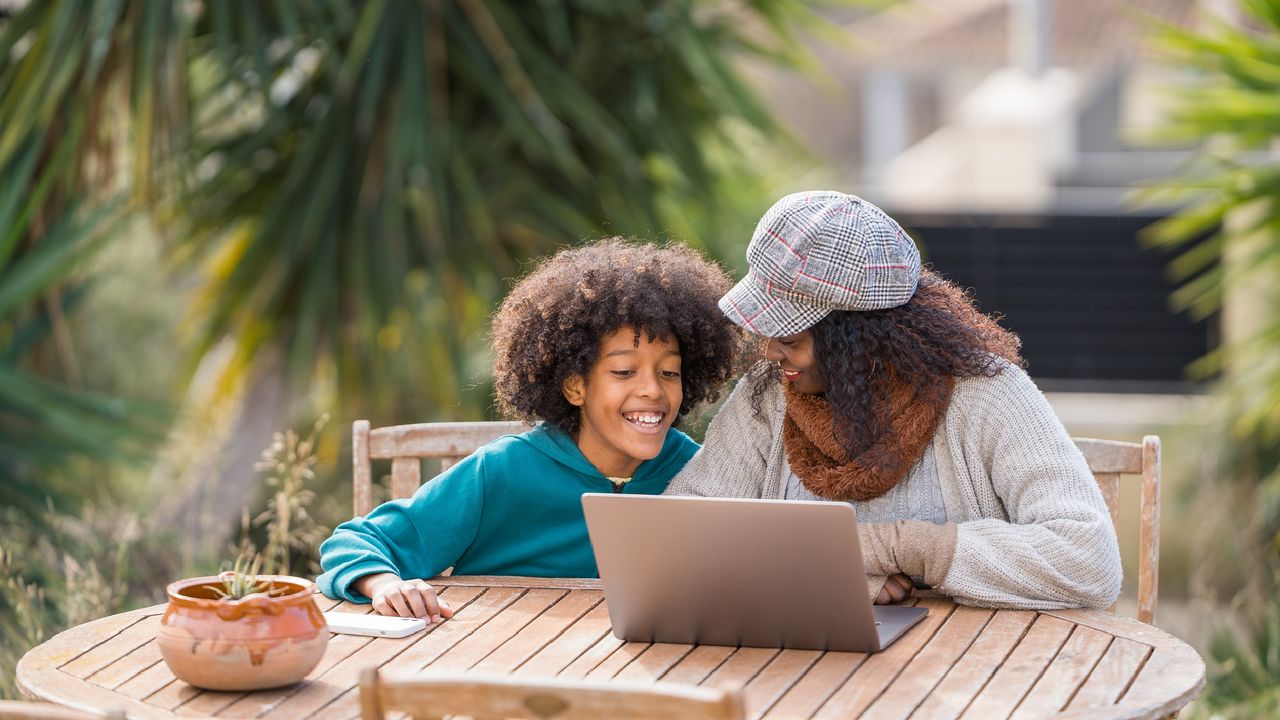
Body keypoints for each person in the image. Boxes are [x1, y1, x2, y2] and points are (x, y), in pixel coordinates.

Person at [666, 190, 1123, 610]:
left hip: (974, 680)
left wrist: (896, 547)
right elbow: (682, 535)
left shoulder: (987, 395)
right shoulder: (767, 398)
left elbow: (1089, 561)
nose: (768, 351)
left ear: (860, 337)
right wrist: (826, 572)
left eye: (789, 335)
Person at [319, 240, 741, 619]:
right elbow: (356, 543)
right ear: (575, 385)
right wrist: (386, 584)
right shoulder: (501, 470)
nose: (652, 389)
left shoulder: (698, 476)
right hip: (501, 667)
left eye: (669, 372)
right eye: (624, 371)